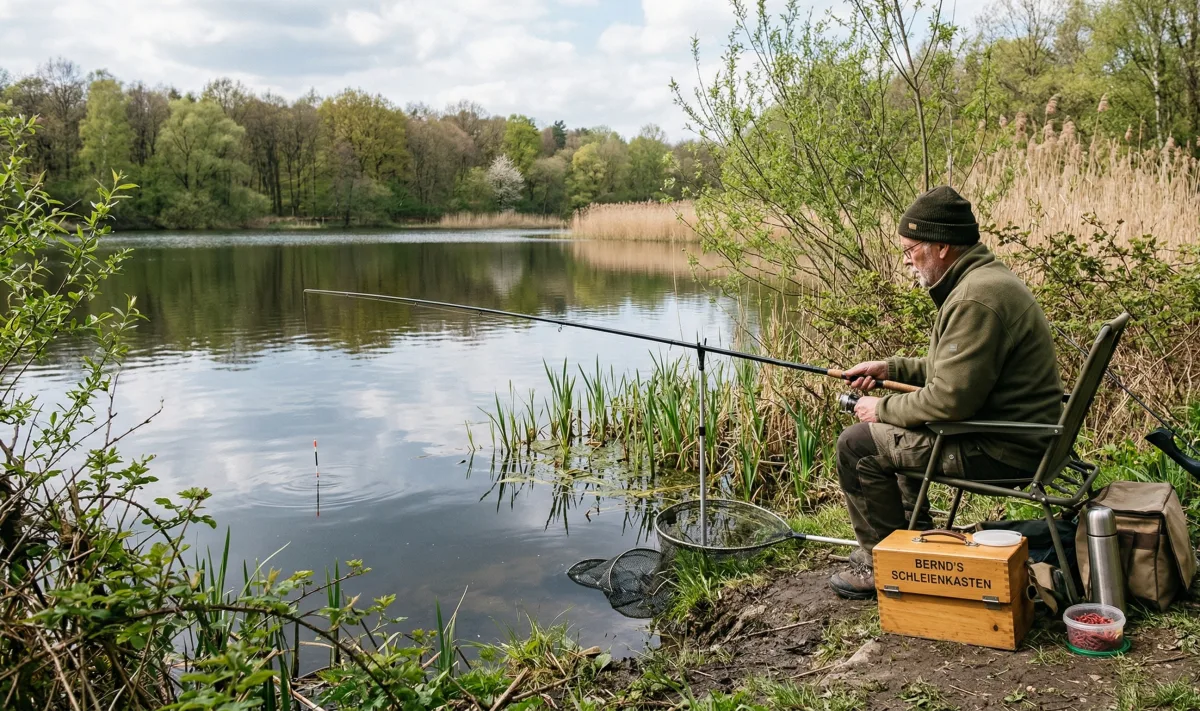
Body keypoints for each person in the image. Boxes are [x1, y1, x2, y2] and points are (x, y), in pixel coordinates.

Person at [828, 185, 1064, 600]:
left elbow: (950, 400)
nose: (906, 259)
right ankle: (910, 542)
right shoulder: (984, 281)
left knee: (858, 445)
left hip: (1001, 448)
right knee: (894, 432)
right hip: (1014, 434)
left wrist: (881, 408)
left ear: (940, 246)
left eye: (910, 248)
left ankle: (882, 562)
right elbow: (952, 374)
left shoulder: (976, 298)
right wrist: (890, 369)